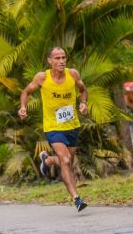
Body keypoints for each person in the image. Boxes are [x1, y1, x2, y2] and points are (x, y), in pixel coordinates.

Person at [18, 46, 88, 212]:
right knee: (65, 160)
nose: (61, 61)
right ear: (50, 61)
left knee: (68, 162)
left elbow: (83, 90)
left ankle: (48, 160)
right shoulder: (42, 78)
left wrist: (83, 103)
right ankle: (76, 199)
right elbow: (26, 92)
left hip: (72, 125)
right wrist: (23, 107)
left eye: (63, 57)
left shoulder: (73, 74)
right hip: (53, 127)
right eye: (57, 58)